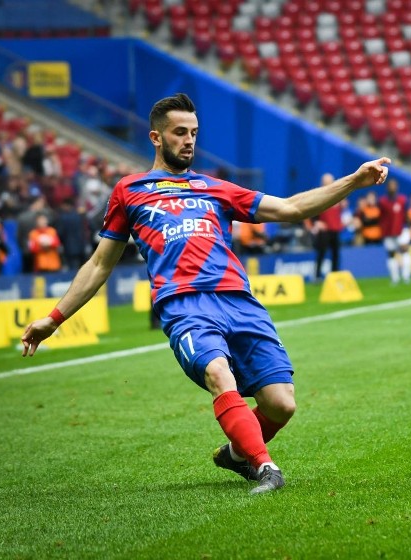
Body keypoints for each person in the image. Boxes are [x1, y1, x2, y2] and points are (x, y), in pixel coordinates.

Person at [20, 93, 391, 495]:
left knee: (281, 403)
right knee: (218, 373)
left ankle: (235, 454)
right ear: (156, 138)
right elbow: (99, 265)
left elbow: (289, 209)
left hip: (238, 301)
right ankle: (265, 468)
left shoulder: (214, 188)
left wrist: (355, 180)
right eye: (180, 132)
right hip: (184, 305)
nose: (189, 140)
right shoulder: (130, 191)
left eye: (194, 133)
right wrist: (53, 320)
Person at [307, 172, 344, 281]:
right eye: (326, 182)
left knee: (336, 254)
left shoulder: (337, 195)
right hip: (325, 230)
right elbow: (311, 212)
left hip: (335, 229)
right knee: (321, 253)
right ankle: (317, 275)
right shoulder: (319, 195)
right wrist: (316, 223)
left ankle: (335, 275)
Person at [378, 178, 411, 285]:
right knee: (391, 254)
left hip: (402, 229)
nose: (392, 187)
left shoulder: (402, 200)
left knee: (405, 251)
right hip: (388, 232)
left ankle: (406, 277)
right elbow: (381, 217)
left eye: (394, 185)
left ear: (397, 187)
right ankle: (394, 278)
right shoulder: (382, 202)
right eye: (390, 186)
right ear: (387, 188)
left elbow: (407, 215)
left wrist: (408, 228)